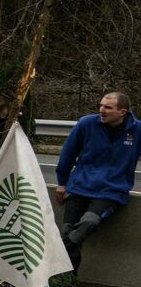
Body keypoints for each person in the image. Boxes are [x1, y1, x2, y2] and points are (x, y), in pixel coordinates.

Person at [54, 92, 141, 271]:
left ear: (122, 112)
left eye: (108, 107)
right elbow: (67, 154)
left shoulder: (137, 130)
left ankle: (59, 250)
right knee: (68, 230)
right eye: (101, 106)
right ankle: (67, 280)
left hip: (111, 190)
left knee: (88, 223)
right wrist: (62, 183)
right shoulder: (86, 124)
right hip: (80, 186)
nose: (102, 110)